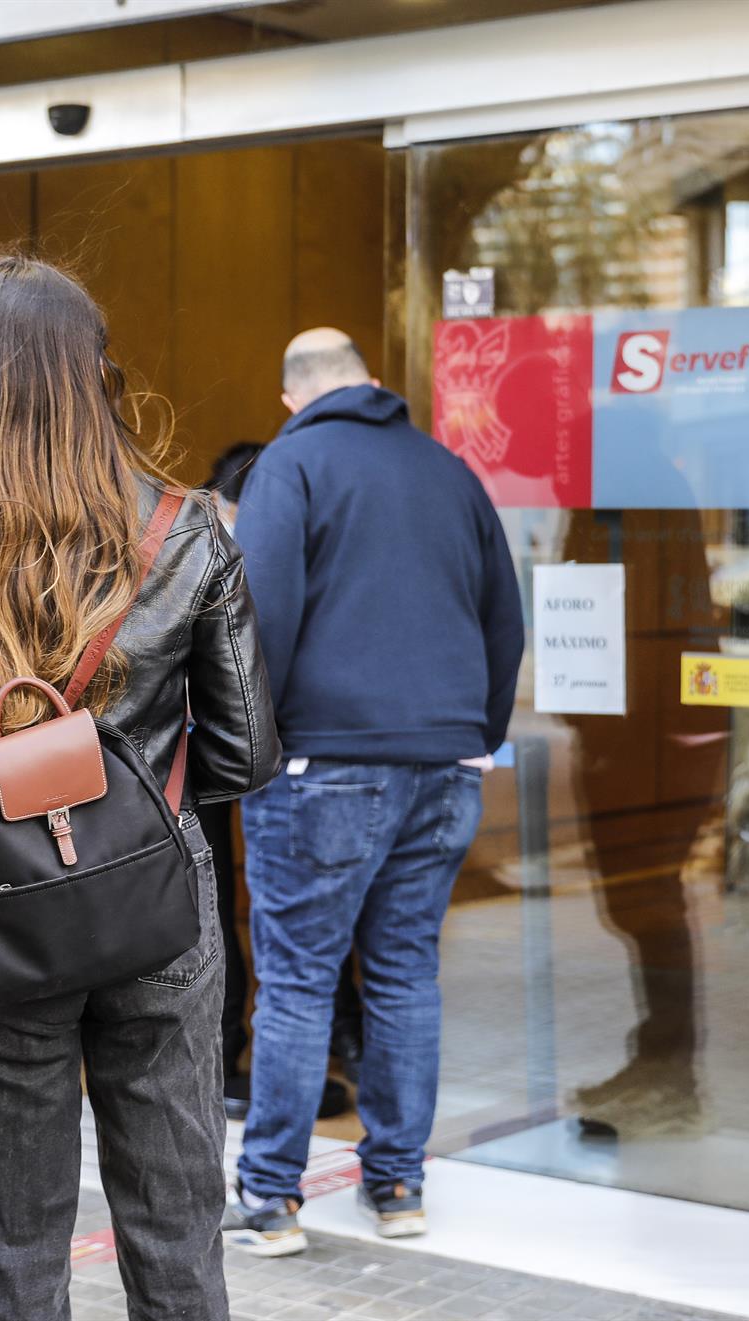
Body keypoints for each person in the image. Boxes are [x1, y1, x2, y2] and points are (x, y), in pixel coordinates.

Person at [0, 255, 279, 1320]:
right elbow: (243, 755)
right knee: (179, 1233)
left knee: (11, 1249)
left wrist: (6, 815)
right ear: (97, 375)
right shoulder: (181, 530)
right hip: (157, 908)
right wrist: (129, 804)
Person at [226, 328, 523, 1254]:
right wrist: (479, 737)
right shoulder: (447, 471)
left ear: (292, 397)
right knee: (403, 973)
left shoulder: (291, 464)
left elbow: (258, 621)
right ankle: (397, 1184)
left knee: (299, 978)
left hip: (322, 766)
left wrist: (247, 747)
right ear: (371, 382)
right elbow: (503, 620)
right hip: (443, 764)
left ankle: (271, 1199)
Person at [197, 441, 353, 1124]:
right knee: (295, 910)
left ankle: (234, 1051)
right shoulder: (306, 539)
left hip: (221, 744)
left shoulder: (203, 544)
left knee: (234, 905)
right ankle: (302, 1047)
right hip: (276, 748)